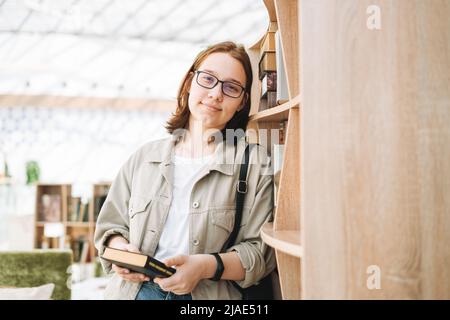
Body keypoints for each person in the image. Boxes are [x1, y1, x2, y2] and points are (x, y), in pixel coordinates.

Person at [94, 41, 275, 300]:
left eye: (231, 87)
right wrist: (122, 252)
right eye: (208, 79)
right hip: (133, 293)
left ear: (242, 101)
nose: (215, 94)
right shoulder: (144, 158)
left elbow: (260, 254)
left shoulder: (254, 164)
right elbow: (109, 228)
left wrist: (203, 266)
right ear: (190, 82)